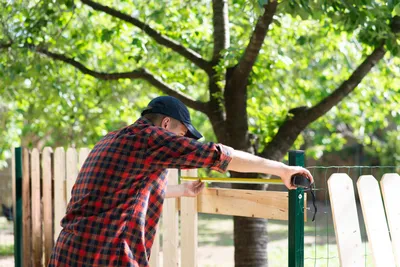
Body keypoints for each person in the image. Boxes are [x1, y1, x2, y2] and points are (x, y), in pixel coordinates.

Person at [49, 96, 313, 267]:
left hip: (68, 252)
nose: (184, 142)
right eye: (183, 134)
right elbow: (219, 155)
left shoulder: (112, 138)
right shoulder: (150, 139)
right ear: (165, 124)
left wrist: (180, 190)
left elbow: (121, 193)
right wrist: (280, 169)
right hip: (103, 256)